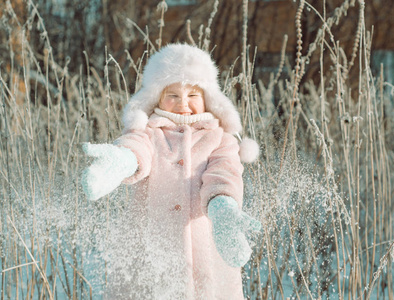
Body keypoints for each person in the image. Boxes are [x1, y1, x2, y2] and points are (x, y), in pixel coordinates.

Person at [81, 43, 261, 300]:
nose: (183, 104)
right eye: (173, 95)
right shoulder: (148, 132)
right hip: (149, 251)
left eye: (193, 95)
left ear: (208, 98)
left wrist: (223, 209)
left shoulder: (220, 139)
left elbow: (224, 173)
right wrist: (122, 160)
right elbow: (136, 149)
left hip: (204, 254)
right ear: (157, 97)